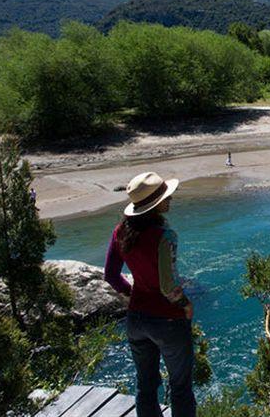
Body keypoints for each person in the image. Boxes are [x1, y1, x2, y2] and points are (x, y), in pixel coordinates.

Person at [104, 172, 196, 417]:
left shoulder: (120, 232)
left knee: (145, 385)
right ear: (155, 206)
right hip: (167, 320)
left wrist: (133, 292)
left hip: (136, 319)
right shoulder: (165, 237)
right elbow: (168, 286)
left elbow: (111, 276)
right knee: (180, 387)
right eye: (167, 196)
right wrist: (185, 304)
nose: (171, 199)